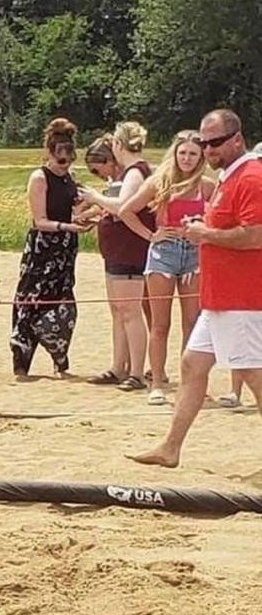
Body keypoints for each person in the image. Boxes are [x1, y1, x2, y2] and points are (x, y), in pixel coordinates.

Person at [129, 109, 262, 468]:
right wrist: (203, 227)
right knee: (192, 364)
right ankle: (170, 447)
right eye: (204, 143)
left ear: (237, 139)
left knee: (253, 373)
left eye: (215, 143)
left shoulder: (250, 176)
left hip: (242, 298)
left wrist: (206, 234)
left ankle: (170, 447)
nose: (208, 150)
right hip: (220, 297)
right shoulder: (229, 177)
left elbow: (256, 236)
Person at [118, 131, 215, 405]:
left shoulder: (206, 186)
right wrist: (151, 235)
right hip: (164, 253)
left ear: (200, 157)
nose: (187, 158)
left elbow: (220, 215)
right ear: (175, 154)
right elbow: (126, 210)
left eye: (193, 154)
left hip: (193, 254)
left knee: (192, 323)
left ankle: (190, 383)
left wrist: (204, 229)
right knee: (160, 324)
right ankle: (157, 382)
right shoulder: (159, 181)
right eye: (182, 153)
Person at [10, 118, 93, 379]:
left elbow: (75, 211)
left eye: (68, 160)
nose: (64, 165)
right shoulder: (39, 178)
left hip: (65, 250)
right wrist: (68, 227)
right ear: (49, 154)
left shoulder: (71, 178)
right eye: (60, 160)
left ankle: (60, 361)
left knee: (63, 301)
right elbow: (40, 221)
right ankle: (21, 362)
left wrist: (89, 214)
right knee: (30, 300)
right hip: (43, 247)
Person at [79, 122, 155, 392]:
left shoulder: (136, 171)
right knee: (118, 311)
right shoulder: (130, 173)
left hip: (129, 250)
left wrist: (95, 197)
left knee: (130, 311)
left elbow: (123, 206)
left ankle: (135, 371)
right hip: (117, 250)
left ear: (119, 146)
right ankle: (118, 366)